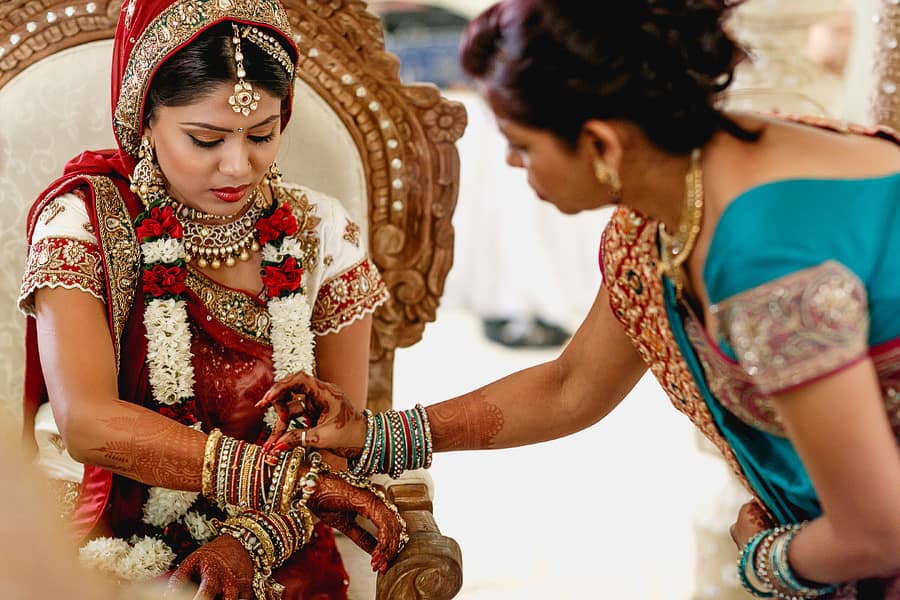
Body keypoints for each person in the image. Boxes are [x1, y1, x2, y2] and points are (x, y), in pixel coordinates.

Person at [260, 1, 900, 598]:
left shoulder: (761, 260)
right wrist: (373, 436)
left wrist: (762, 562)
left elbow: (877, 531)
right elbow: (572, 385)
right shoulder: (679, 196)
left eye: (521, 142)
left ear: (601, 145)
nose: (511, 163)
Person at [18, 1, 405, 598]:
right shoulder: (84, 223)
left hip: (277, 524)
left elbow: (336, 438)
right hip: (103, 522)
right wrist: (276, 482)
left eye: (262, 134)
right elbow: (88, 423)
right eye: (205, 138)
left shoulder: (321, 231)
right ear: (144, 120)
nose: (237, 164)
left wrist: (255, 537)